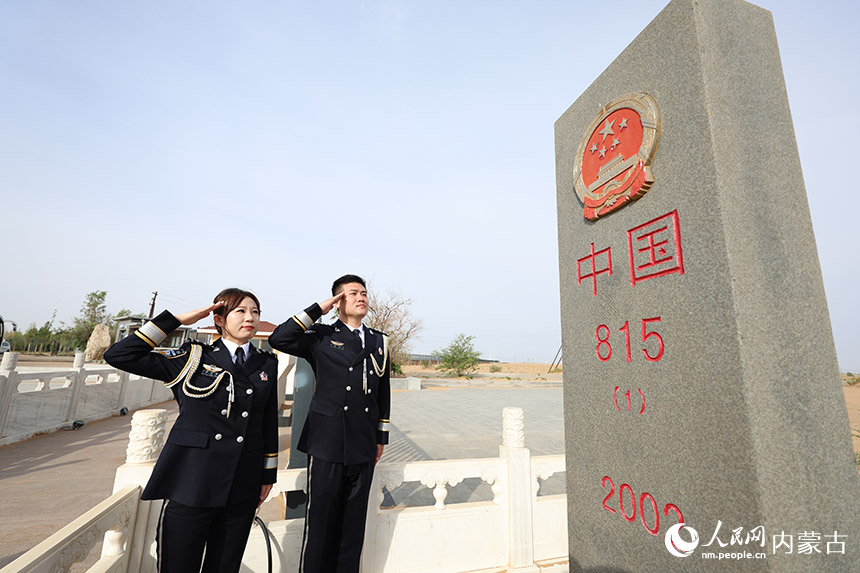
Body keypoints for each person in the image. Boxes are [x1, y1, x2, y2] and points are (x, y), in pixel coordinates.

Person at [103, 288, 279, 572]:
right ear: (219, 319)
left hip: (242, 482)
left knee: (225, 566)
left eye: (255, 312)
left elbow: (267, 423)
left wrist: (267, 475)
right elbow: (119, 355)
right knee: (178, 564)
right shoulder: (192, 357)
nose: (250, 318)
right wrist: (175, 320)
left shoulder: (266, 362)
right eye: (241, 311)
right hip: (193, 480)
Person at [268, 274, 390, 572]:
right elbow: (279, 338)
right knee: (321, 522)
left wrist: (380, 437)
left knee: (353, 523)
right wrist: (318, 309)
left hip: (363, 441)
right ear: (338, 301)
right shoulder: (321, 335)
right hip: (327, 440)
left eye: (364, 293)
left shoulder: (379, 340)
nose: (361, 297)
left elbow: (383, 392)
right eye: (352, 293)